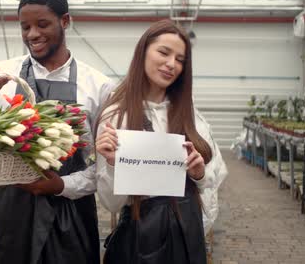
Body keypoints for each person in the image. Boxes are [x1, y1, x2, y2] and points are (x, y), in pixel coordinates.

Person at [0, 0, 115, 264]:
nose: (32, 34)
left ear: (65, 21)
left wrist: (63, 185)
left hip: (70, 215)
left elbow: (106, 166)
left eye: (42, 24)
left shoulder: (97, 85)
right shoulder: (3, 75)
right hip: (12, 214)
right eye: (25, 27)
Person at [94, 19, 228, 264]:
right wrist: (114, 166)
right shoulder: (116, 116)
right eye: (164, 53)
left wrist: (199, 174)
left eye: (180, 60)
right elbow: (111, 204)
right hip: (140, 238)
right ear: (143, 51)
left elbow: (214, 178)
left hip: (188, 236)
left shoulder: (190, 114)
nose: (171, 65)